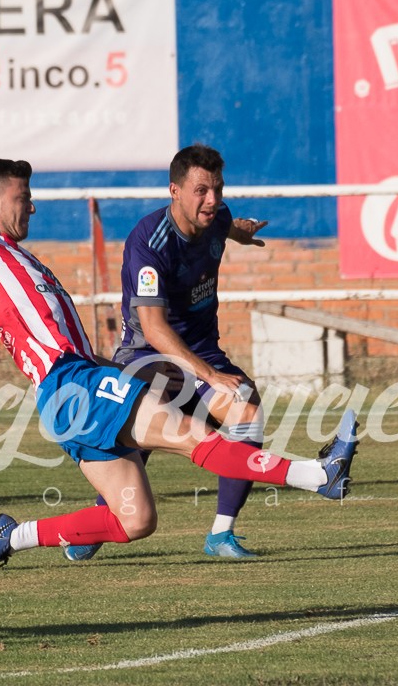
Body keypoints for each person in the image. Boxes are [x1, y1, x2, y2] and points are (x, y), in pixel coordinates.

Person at [0, 97, 358, 572]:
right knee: (193, 439)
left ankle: (12, 536)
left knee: (135, 521)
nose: (31, 204)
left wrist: (229, 228)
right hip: (74, 381)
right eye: (22, 196)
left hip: (72, 396)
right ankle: (319, 474)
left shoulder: (19, 255)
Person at [63, 144, 270, 562]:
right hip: (146, 355)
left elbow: (224, 222)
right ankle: (97, 523)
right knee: (141, 444)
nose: (212, 200)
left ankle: (221, 535)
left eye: (217, 189)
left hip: (201, 352)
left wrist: (240, 232)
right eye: (200, 191)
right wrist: (210, 378)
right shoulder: (148, 243)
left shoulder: (219, 216)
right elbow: (155, 328)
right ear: (174, 190)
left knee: (246, 411)